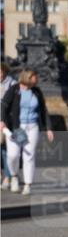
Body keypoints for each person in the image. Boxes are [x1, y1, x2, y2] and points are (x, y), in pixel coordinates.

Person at [1, 68, 55, 195]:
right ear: (27, 78)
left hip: (32, 127)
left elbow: (43, 110)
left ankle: (27, 185)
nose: (37, 79)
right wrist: (2, 121)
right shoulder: (14, 89)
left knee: (29, 155)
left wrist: (48, 128)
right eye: (34, 77)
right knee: (13, 155)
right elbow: (4, 105)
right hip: (17, 127)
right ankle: (14, 176)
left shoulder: (36, 91)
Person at [0, 62, 15, 190]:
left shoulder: (12, 84)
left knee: (5, 149)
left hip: (5, 120)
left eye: (0, 72)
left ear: (5, 71)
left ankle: (7, 176)